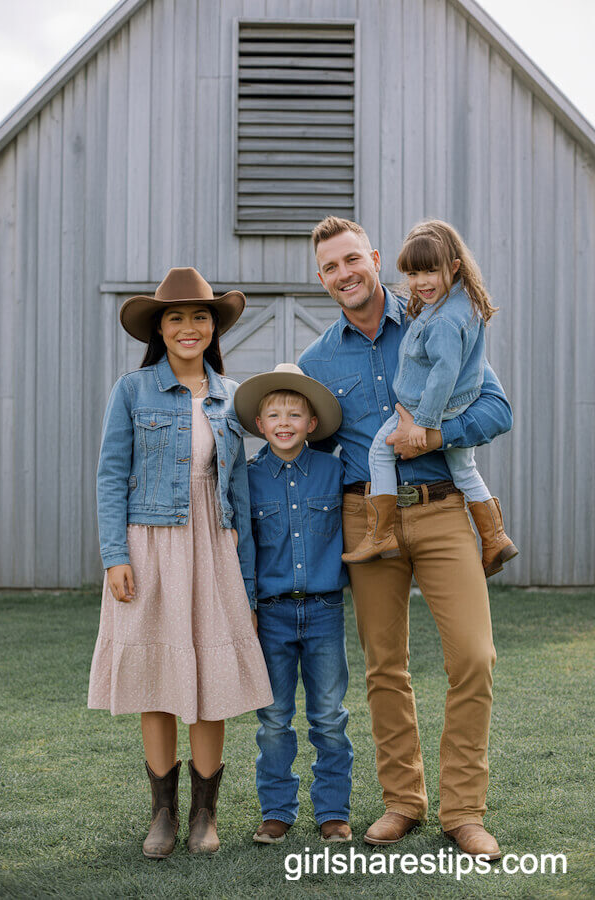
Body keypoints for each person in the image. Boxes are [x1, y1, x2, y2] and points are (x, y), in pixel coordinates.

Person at [299, 216, 513, 860]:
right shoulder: (317, 361)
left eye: (351, 260)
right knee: (384, 666)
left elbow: (496, 409)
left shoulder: (436, 314)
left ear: (372, 257)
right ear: (322, 279)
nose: (344, 275)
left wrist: (435, 435)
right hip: (368, 519)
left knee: (474, 657)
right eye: (330, 268)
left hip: (445, 509)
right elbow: (308, 445)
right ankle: (402, 802)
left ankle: (464, 811)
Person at [88, 267, 273, 859]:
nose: (188, 328)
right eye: (176, 318)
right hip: (151, 545)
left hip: (214, 546)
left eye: (200, 317)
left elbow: (238, 491)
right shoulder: (132, 390)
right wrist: (116, 555)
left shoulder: (230, 397)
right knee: (158, 679)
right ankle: (162, 814)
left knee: (213, 679)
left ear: (213, 327)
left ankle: (204, 815)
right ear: (160, 329)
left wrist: (244, 574)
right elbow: (111, 475)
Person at [343, 219, 518, 575]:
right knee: (464, 469)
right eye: (412, 274)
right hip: (455, 405)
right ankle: (495, 537)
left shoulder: (442, 322)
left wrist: (423, 423)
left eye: (428, 272)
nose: (420, 283)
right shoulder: (459, 305)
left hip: (425, 408)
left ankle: (381, 533)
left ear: (453, 267)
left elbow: (443, 374)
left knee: (379, 452)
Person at [233, 364, 354, 844]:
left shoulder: (335, 469)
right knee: (274, 720)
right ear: (260, 425)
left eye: (295, 414)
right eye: (274, 415)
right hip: (273, 614)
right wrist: (247, 603)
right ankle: (277, 811)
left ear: (312, 424)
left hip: (325, 612)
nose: (284, 422)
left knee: (328, 716)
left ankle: (333, 813)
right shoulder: (247, 478)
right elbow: (243, 546)